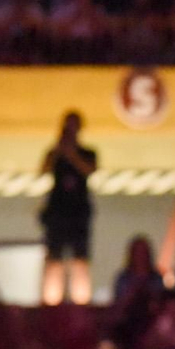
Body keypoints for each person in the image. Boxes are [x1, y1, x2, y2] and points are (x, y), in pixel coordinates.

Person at [39, 110, 97, 307]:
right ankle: (51, 301)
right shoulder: (55, 153)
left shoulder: (87, 153)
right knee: (54, 258)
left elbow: (89, 169)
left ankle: (81, 301)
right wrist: (59, 150)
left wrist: (71, 154)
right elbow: (43, 169)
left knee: (80, 259)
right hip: (57, 213)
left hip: (78, 213)